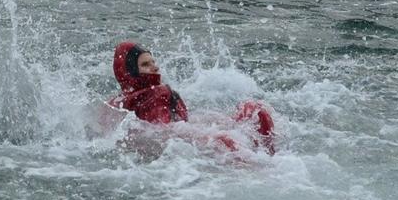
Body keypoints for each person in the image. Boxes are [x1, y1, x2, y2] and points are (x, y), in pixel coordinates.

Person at [110, 41, 277, 154]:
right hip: (178, 140)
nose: (155, 67)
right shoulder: (156, 95)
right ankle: (263, 162)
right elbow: (164, 129)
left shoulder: (118, 102)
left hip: (175, 136)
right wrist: (206, 137)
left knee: (250, 111)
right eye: (146, 64)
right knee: (245, 122)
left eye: (153, 62)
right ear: (129, 71)